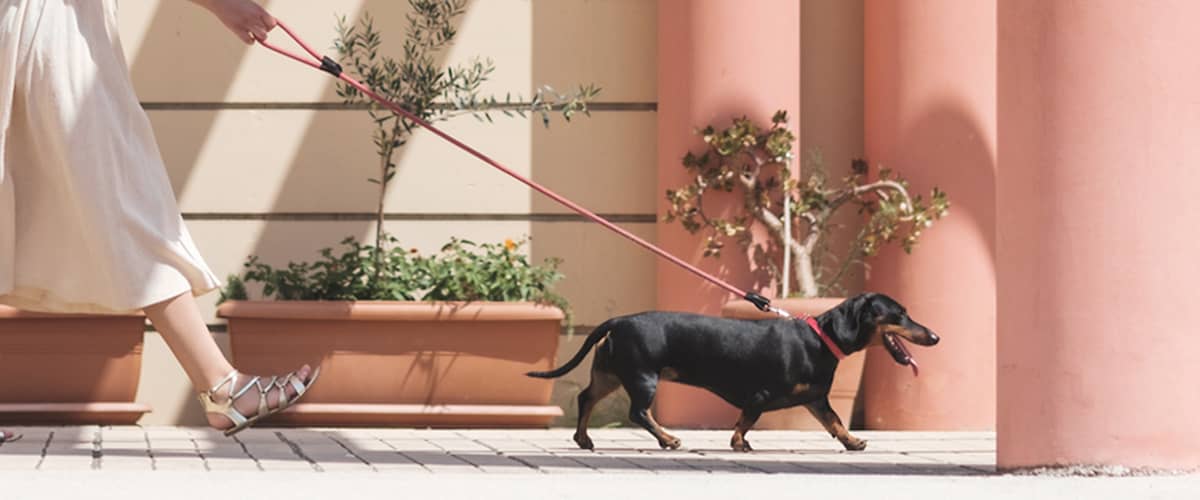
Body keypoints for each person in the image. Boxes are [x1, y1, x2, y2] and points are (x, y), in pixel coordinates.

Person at [0, 0, 318, 437]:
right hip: (49, 23)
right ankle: (219, 385)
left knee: (112, 189)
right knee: (121, 189)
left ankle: (219, 384)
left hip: (59, 24)